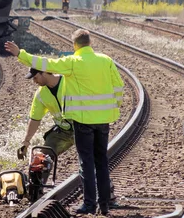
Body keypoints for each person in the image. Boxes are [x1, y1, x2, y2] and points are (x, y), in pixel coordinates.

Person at [5, 28, 123, 215]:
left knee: (86, 162)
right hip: (103, 120)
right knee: (101, 161)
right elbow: (118, 85)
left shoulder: (73, 62)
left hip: (83, 121)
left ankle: (90, 205)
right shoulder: (105, 60)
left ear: (75, 45)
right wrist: (113, 105)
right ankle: (105, 204)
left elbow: (45, 63)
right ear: (89, 43)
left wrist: (20, 53)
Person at [18, 66, 117, 206]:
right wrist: (26, 141)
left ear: (45, 72)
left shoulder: (70, 82)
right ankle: (36, 193)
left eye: (35, 77)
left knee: (90, 161)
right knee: (41, 156)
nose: (34, 81)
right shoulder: (41, 94)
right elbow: (35, 119)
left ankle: (107, 196)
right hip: (63, 132)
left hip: (84, 127)